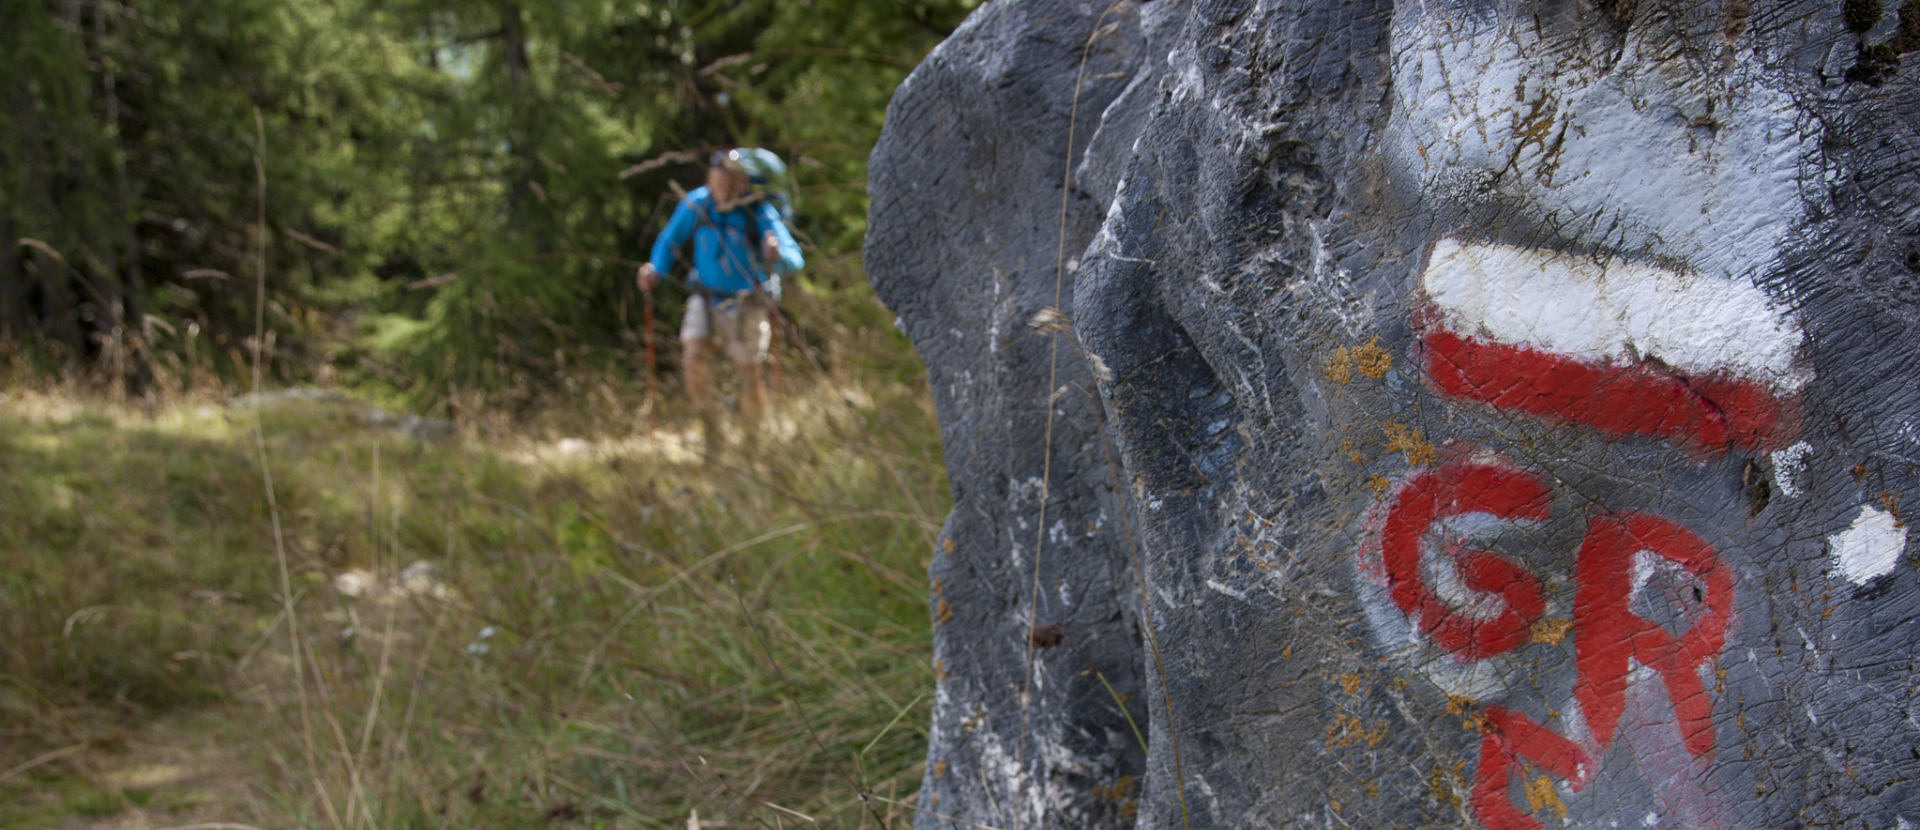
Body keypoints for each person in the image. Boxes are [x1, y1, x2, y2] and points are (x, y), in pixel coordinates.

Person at [636, 150, 803, 441]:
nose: (722, 195)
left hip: (747, 302)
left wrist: (776, 253)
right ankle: (712, 430)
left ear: (744, 184)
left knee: (748, 371)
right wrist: (656, 269)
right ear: (709, 182)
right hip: (704, 296)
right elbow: (669, 240)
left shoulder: (758, 211)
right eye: (716, 187)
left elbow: (795, 258)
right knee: (693, 356)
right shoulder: (697, 204)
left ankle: (754, 439)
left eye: (729, 187)